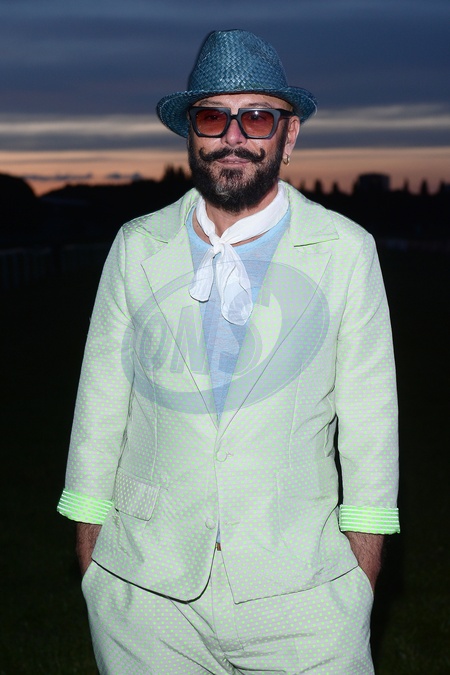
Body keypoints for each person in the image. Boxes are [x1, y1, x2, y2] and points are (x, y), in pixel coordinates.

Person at [57, 29, 400, 674]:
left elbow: (371, 423)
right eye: (214, 117)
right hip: (145, 594)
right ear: (191, 134)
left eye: (258, 118)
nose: (234, 136)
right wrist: (93, 557)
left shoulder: (346, 250)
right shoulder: (136, 244)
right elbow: (98, 406)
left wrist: (360, 575)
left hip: (304, 593)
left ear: (288, 136)